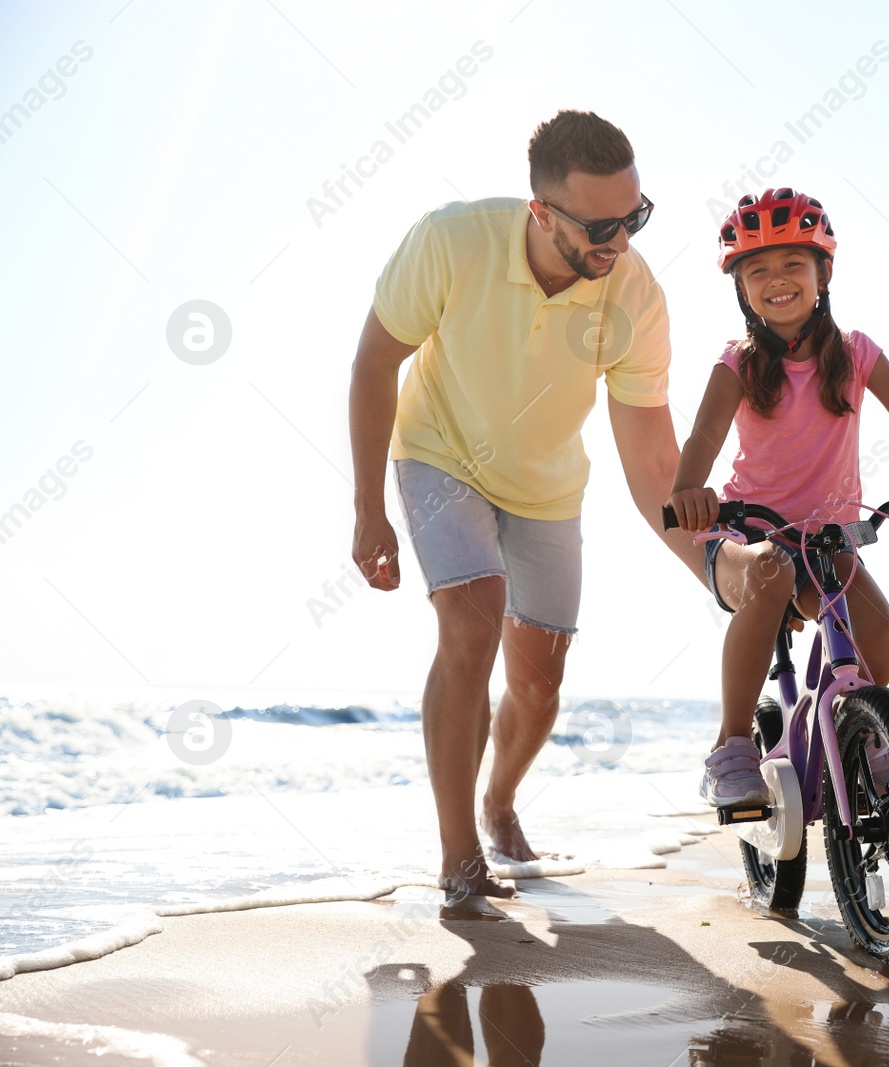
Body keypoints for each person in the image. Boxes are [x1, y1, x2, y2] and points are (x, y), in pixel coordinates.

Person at [348, 110, 701, 899]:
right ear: (541, 211)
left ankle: (500, 798)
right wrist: (369, 510)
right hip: (442, 453)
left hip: (547, 483)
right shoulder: (452, 243)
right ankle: (458, 858)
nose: (620, 240)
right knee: (472, 617)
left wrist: (714, 564)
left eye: (634, 217)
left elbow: (652, 457)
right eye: (601, 224)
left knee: (539, 682)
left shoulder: (634, 295)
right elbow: (374, 363)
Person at [667, 188, 889, 807]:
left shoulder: (855, 353)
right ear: (741, 289)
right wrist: (690, 493)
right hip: (746, 539)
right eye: (758, 271)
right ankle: (731, 748)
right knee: (772, 571)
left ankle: (850, 735)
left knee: (882, 639)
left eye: (791, 266)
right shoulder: (739, 364)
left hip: (826, 541)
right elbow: (698, 447)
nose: (776, 281)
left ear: (822, 274)